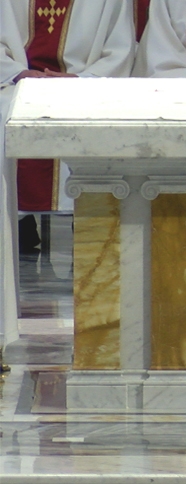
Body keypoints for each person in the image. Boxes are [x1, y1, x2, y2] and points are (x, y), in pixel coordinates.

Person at [0, 0, 135, 352]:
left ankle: (104, 315)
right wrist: (18, 73)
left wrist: (78, 80)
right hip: (13, 86)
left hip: (86, 89)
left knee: (108, 129)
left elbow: (119, 51)